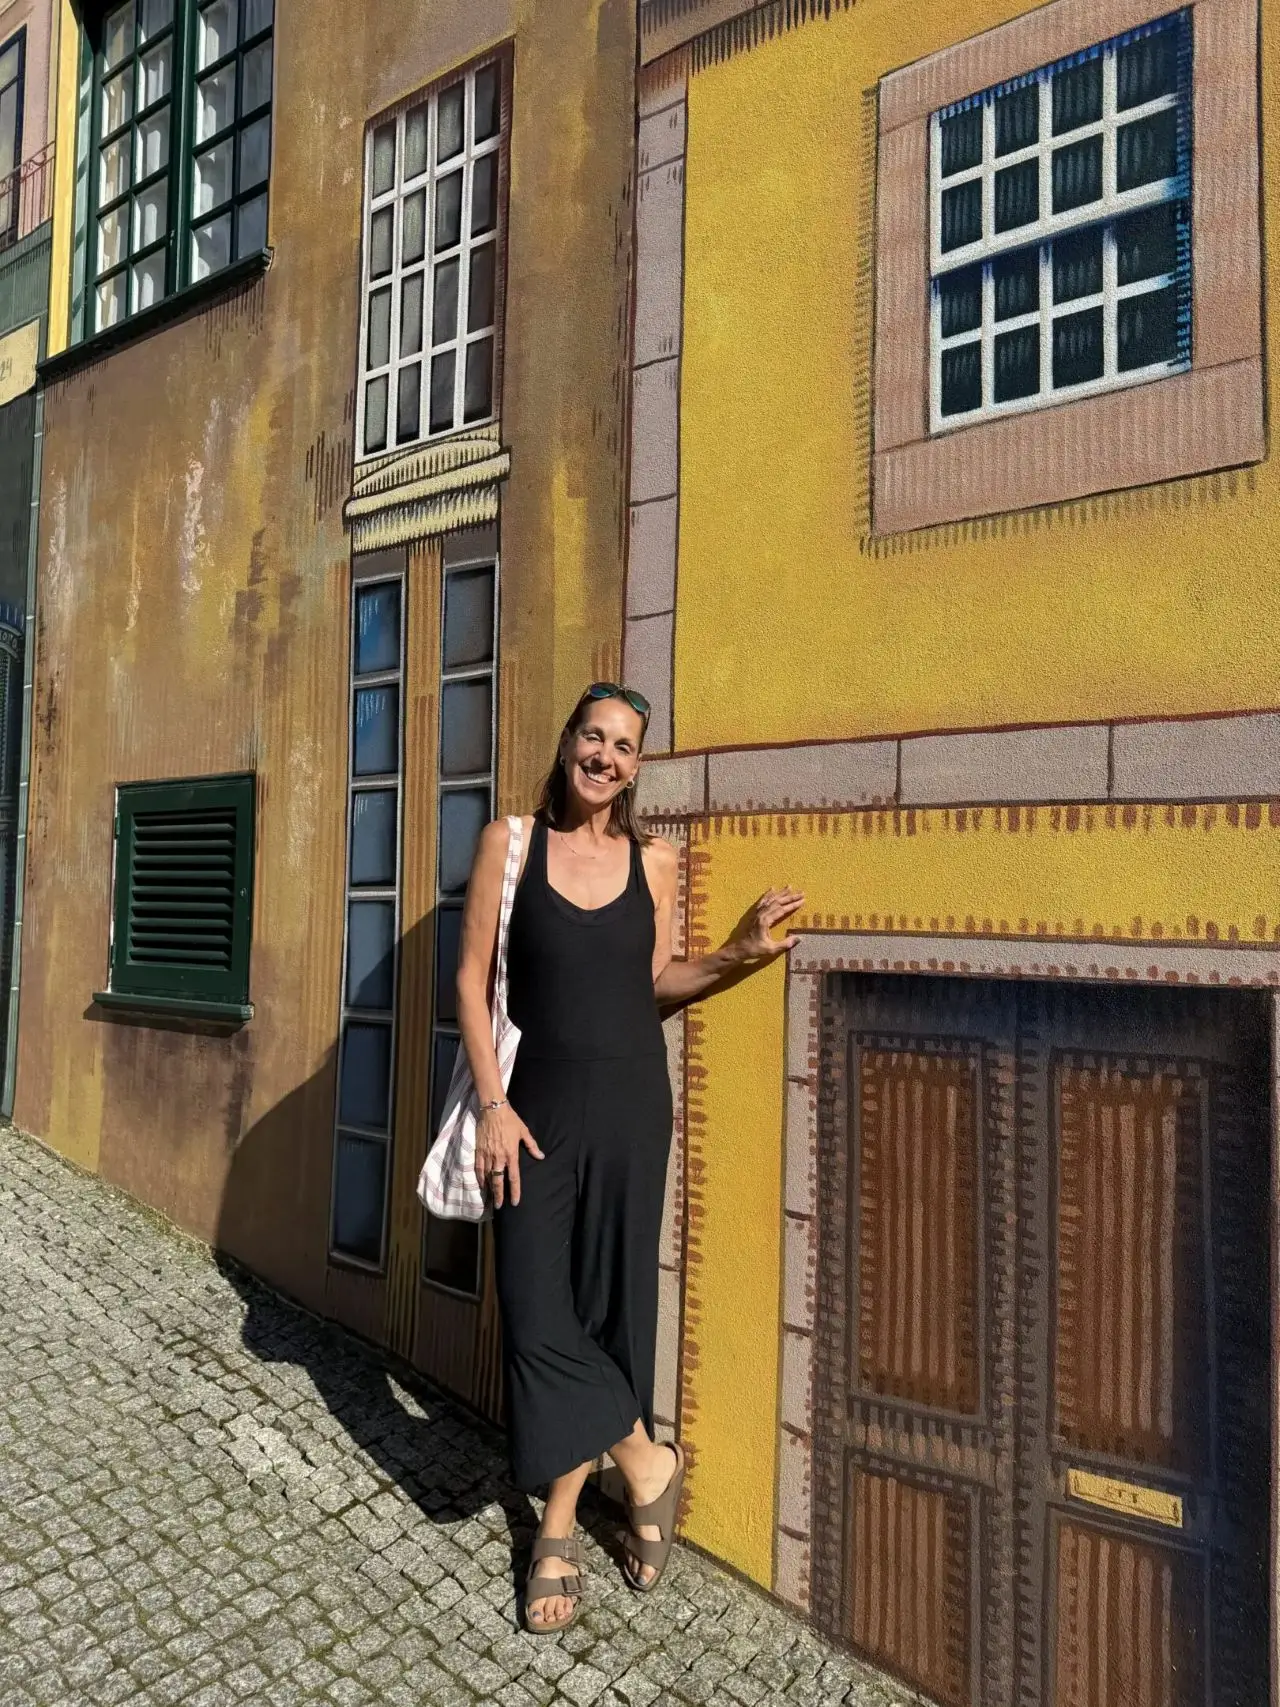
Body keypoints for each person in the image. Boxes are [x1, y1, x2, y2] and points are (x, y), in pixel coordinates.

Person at [453, 682, 804, 1633]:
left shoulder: (657, 860)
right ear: (568, 740)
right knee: (534, 1311)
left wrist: (735, 953)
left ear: (638, 766)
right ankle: (646, 1458)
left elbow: (655, 984)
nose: (607, 755)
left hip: (632, 1109)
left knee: (609, 1308)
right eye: (594, 735)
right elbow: (470, 978)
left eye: (626, 746)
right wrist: (491, 1102)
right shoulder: (509, 844)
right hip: (531, 1108)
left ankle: (558, 1527)